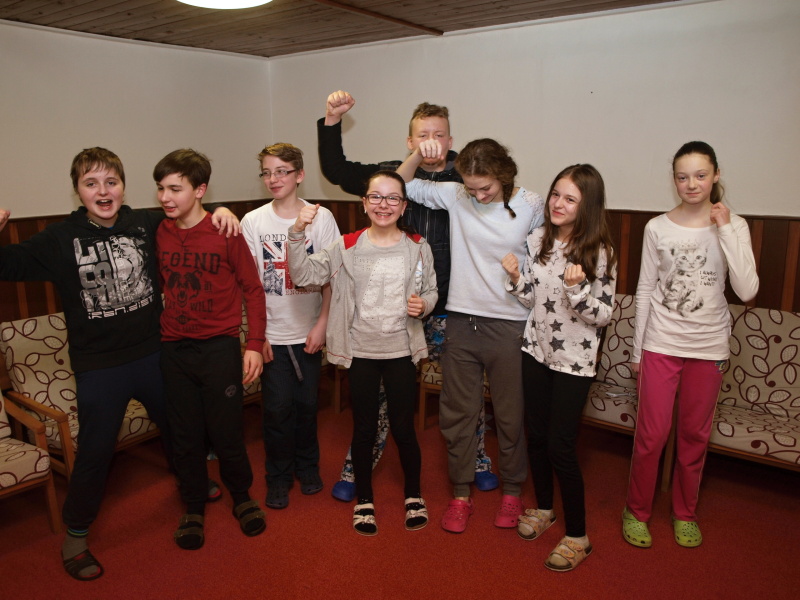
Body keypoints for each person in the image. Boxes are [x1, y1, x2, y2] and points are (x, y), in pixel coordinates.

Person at [0, 147, 237, 580]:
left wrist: (221, 209)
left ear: (124, 187)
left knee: (182, 430)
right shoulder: (59, 238)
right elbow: (8, 265)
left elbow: (190, 211)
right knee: (95, 451)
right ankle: (76, 535)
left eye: (111, 182)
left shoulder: (146, 222)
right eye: (91, 183)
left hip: (154, 354)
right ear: (78, 191)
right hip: (99, 367)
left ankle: (193, 485)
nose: (103, 191)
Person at [319, 90, 498, 502]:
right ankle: (357, 466)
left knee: (465, 392)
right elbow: (336, 170)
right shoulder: (391, 179)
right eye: (422, 135)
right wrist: (332, 120)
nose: (431, 142)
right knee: (379, 399)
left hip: (453, 307)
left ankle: (477, 460)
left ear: (451, 140)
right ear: (409, 141)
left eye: (439, 135)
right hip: (393, 314)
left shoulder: (468, 178)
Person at [396, 138, 545, 533]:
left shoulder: (532, 204)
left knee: (510, 415)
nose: (478, 195)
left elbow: (545, 261)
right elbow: (400, 184)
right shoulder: (456, 195)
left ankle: (512, 491)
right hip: (462, 321)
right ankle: (460, 493)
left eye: (486, 188)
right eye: (471, 187)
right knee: (457, 413)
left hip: (510, 324)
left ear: (504, 175)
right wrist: (419, 153)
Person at [623, 141, 759, 549]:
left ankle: (685, 513)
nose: (692, 184)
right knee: (651, 436)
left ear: (716, 175)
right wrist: (637, 351)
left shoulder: (735, 225)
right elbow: (645, 290)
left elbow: (747, 290)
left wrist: (726, 228)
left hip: (709, 347)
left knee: (694, 437)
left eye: (700, 175)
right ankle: (636, 511)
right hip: (661, 343)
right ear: (674, 180)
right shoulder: (657, 227)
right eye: (683, 177)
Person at [287, 170, 437, 536]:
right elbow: (303, 275)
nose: (384, 204)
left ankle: (414, 495)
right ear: (364, 203)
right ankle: (365, 499)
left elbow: (431, 290)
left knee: (404, 428)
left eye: (392, 198)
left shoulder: (418, 246)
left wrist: (425, 305)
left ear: (403, 206)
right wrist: (297, 233)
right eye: (376, 197)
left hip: (401, 351)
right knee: (364, 427)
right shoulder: (346, 246)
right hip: (361, 353)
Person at [502, 164, 617, 571]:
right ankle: (545, 508)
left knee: (560, 446)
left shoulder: (599, 251)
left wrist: (577, 290)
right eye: (555, 194)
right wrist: (515, 278)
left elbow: (603, 314)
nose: (558, 204)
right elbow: (533, 299)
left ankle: (578, 536)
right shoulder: (538, 239)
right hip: (536, 352)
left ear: (588, 206)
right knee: (535, 436)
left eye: (570, 199)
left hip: (574, 361)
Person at [154, 149, 267, 550]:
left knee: (226, 430)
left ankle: (242, 497)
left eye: (175, 189)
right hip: (174, 350)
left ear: (200, 190)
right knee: (184, 434)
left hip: (219, 348)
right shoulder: (159, 230)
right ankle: (193, 505)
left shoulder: (225, 231)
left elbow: (253, 289)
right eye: (161, 188)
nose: (165, 197)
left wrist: (255, 344)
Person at [241, 143, 340, 509]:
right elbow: (251, 285)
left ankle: (308, 467)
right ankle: (278, 476)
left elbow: (332, 277)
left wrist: (323, 324)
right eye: (267, 172)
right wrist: (258, 336)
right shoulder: (253, 221)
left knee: (307, 405)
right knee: (277, 410)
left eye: (282, 171)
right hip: (272, 334)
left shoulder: (320, 217)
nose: (273, 179)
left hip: (308, 330)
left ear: (299, 175)